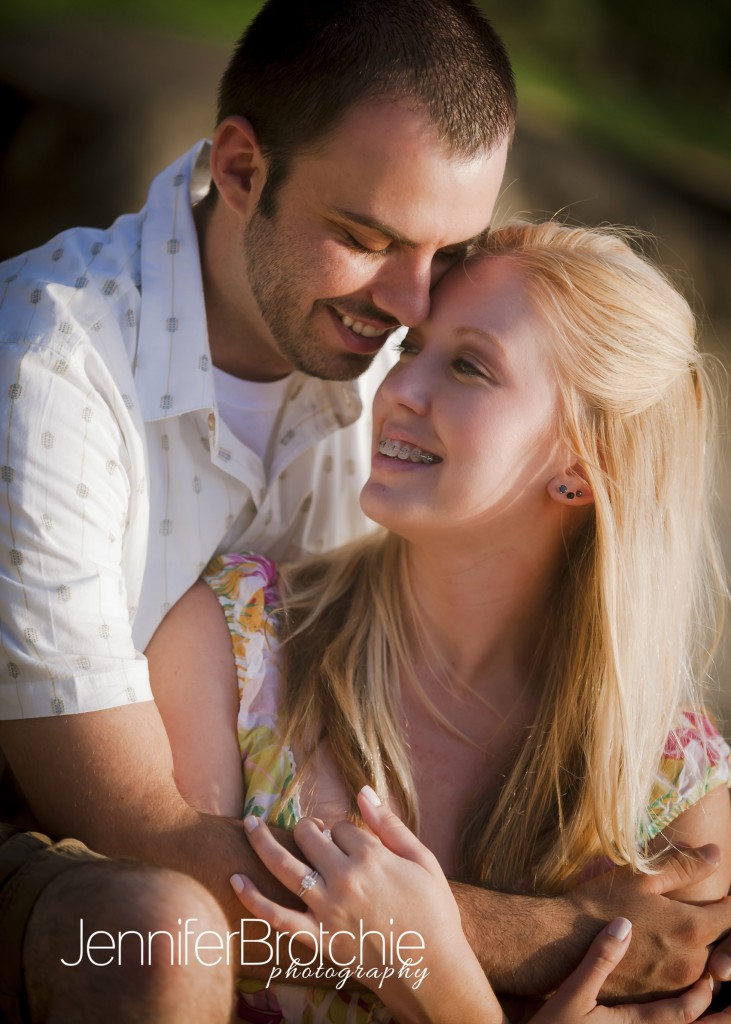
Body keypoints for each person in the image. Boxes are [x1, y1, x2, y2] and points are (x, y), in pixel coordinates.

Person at [0, 2, 513, 1020]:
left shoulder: (393, 380)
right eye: (368, 237)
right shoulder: (46, 375)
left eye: (447, 255)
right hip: (45, 848)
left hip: (261, 848)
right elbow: (140, 829)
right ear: (239, 170)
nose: (414, 306)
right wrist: (542, 943)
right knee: (162, 935)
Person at [145, 220, 731, 1021]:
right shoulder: (235, 642)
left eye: (467, 365)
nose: (397, 392)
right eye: (409, 349)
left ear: (580, 469)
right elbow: (151, 945)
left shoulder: (672, 789)